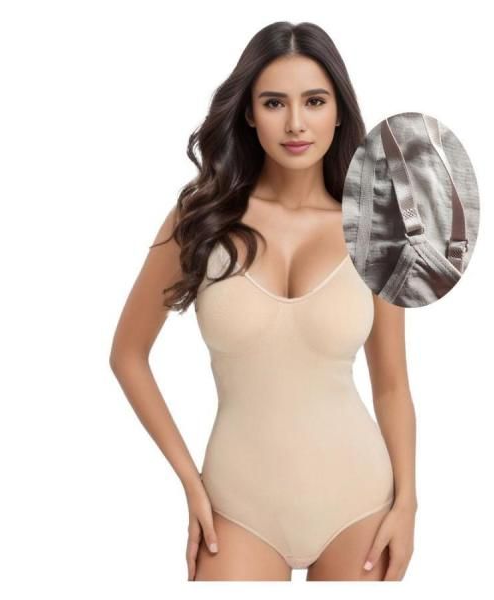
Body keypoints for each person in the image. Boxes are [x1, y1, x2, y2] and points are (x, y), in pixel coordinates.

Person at [109, 21, 417, 582]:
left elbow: (392, 383)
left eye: (314, 101)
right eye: (274, 102)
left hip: (360, 504)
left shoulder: (377, 227)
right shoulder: (199, 219)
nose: (296, 122)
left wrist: (408, 504)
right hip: (235, 509)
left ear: (339, 111)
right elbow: (127, 355)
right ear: (250, 113)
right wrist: (190, 483)